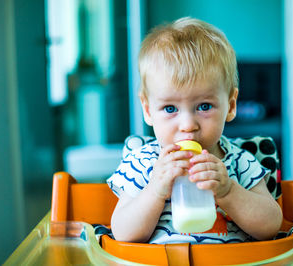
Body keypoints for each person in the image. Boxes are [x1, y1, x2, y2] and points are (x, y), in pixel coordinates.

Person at [107, 17, 282, 244]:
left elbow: (270, 227)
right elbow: (122, 232)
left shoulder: (241, 162)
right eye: (170, 108)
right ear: (148, 110)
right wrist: (155, 191)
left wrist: (228, 191)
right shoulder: (144, 162)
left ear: (230, 106)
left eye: (204, 106)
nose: (188, 124)